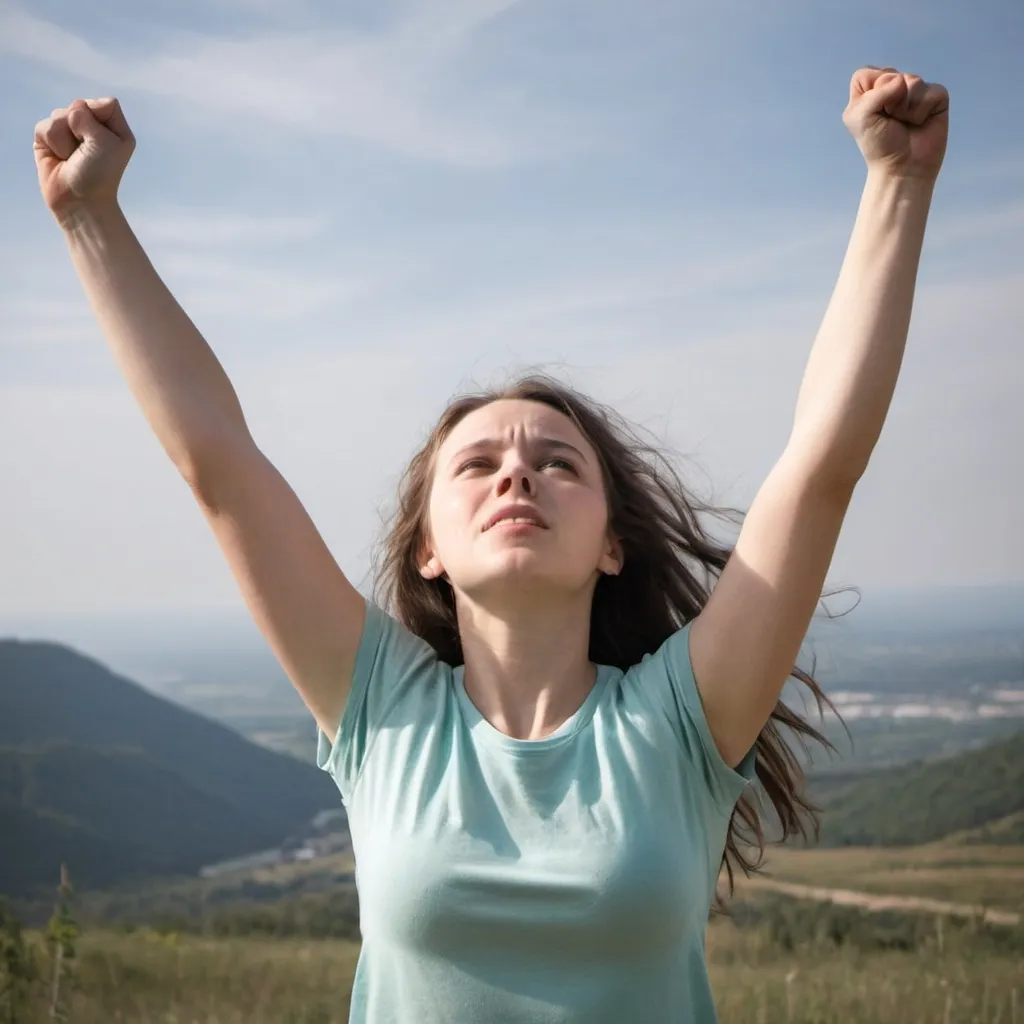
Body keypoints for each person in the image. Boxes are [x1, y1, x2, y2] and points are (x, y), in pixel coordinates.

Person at [33, 65, 949, 1023]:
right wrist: (90, 217)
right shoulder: (380, 709)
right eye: (476, 466)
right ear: (427, 547)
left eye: (559, 463)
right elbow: (218, 466)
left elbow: (820, 466)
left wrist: (897, 186)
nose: (517, 475)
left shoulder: (681, 723)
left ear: (612, 546)